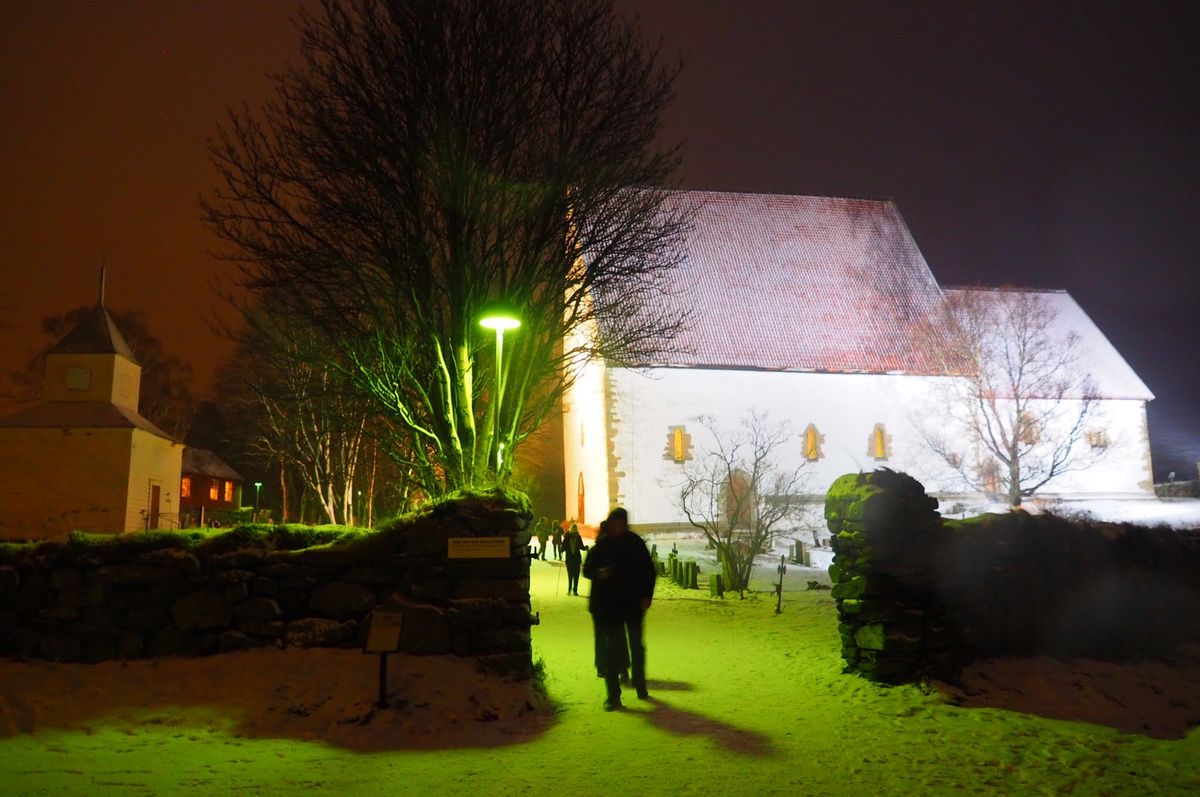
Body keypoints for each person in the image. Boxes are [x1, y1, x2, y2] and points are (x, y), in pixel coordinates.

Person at [584, 507, 656, 711]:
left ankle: (640, 685)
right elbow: (588, 569)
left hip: (633, 604)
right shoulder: (603, 544)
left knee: (636, 647)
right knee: (612, 650)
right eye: (613, 523)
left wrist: (646, 595)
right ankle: (613, 696)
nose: (616, 527)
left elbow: (648, 571)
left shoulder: (634, 543)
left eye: (619, 523)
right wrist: (599, 574)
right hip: (612, 606)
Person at [563, 522, 586, 596]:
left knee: (572, 574)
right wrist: (586, 548)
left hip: (572, 558)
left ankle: (571, 589)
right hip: (574, 559)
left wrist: (561, 550)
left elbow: (563, 547)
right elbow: (581, 546)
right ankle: (573, 590)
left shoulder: (571, 536)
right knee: (574, 575)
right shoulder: (572, 536)